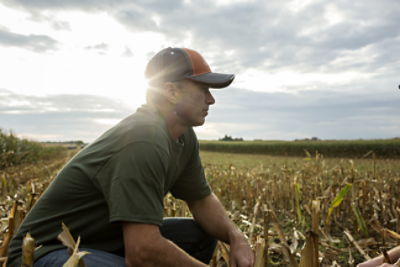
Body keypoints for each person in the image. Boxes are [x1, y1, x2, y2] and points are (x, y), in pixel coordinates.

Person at [6, 47, 254, 267]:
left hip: (105, 243)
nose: (211, 99)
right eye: (203, 89)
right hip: (47, 253)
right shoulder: (144, 139)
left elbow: (200, 200)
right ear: (171, 92)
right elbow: (142, 253)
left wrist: (235, 236)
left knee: (198, 236)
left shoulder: (183, 136)